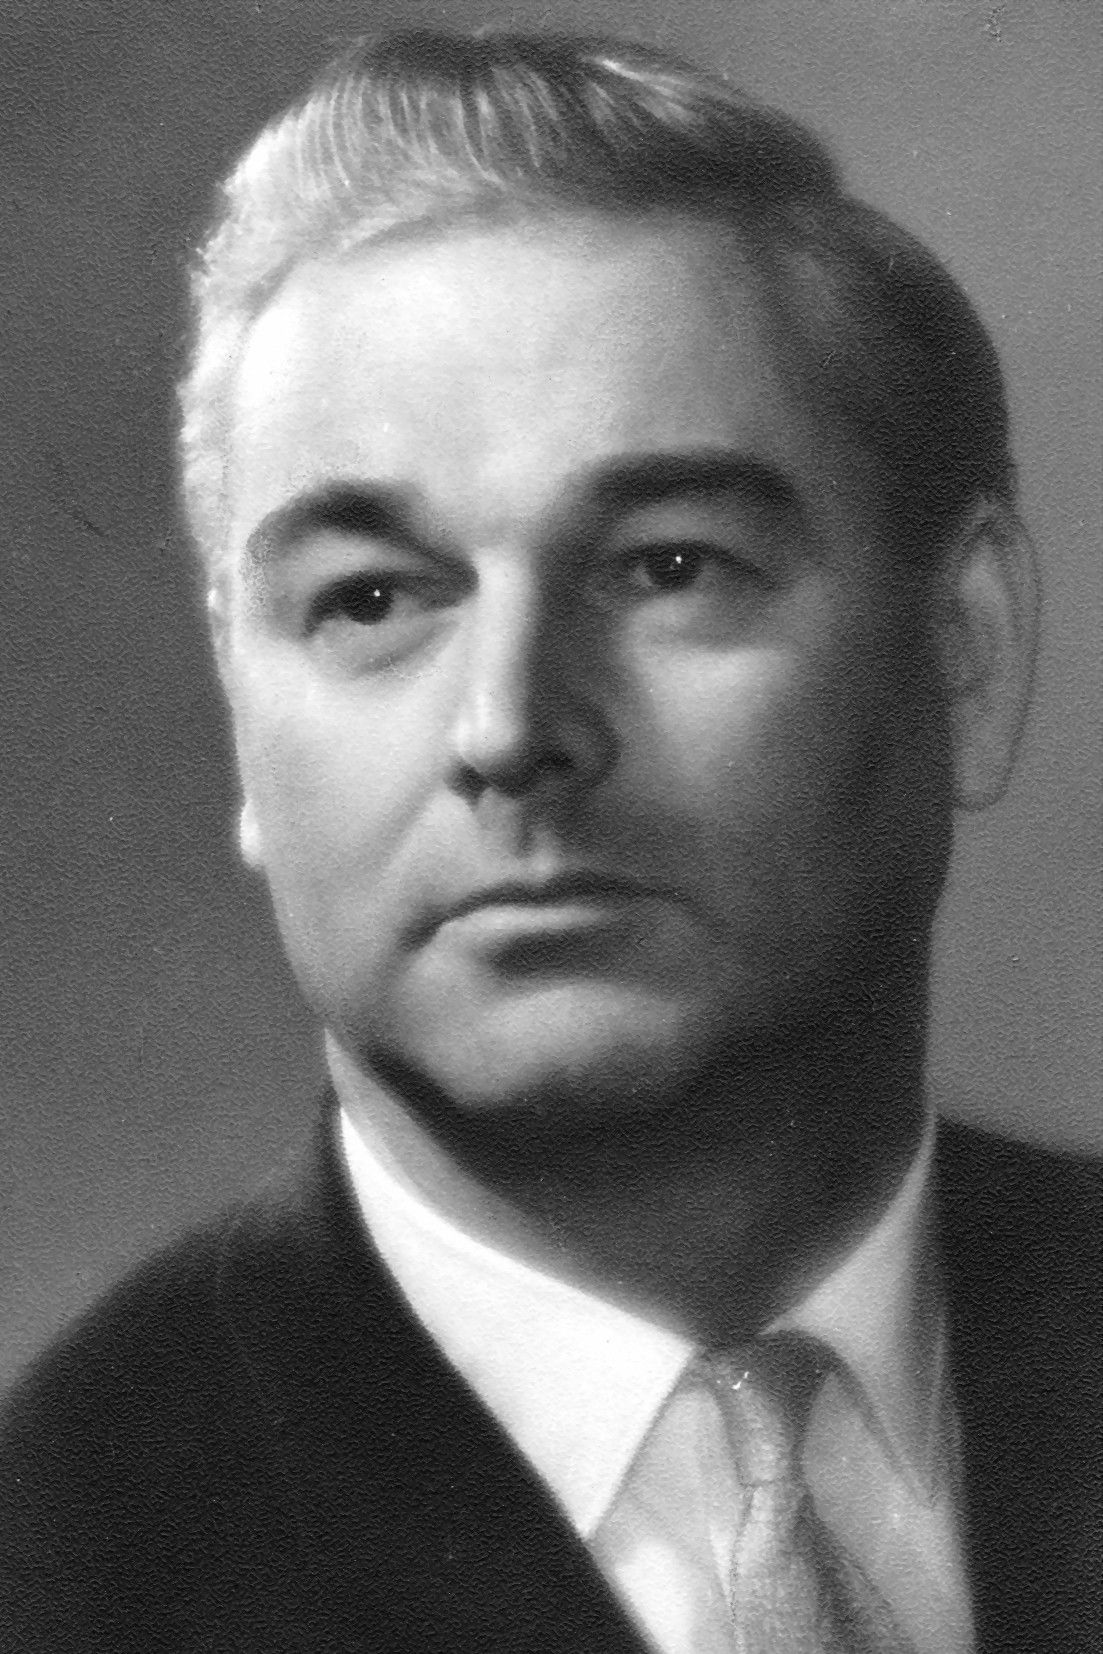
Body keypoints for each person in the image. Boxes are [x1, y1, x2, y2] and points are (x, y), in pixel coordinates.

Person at [0, 28, 1098, 1654]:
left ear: (969, 651)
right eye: (374, 596)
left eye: (668, 566)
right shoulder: (57, 1568)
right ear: (240, 709)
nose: (510, 725)